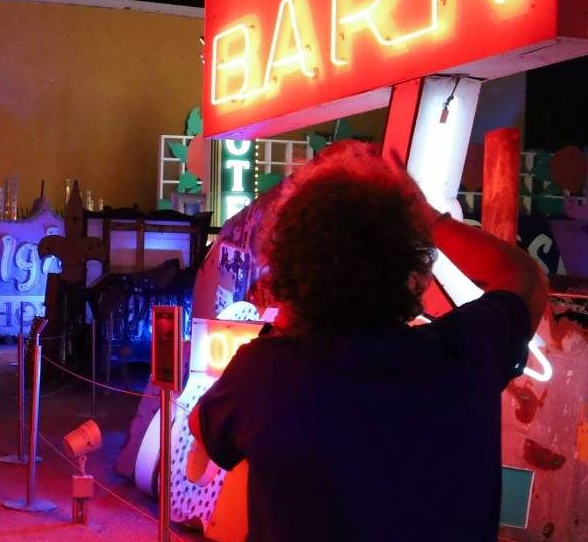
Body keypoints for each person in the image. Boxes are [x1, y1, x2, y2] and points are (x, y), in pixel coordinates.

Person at [188, 141, 548, 541]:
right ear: (407, 262)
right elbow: (524, 275)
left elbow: (202, 429)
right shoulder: (464, 352)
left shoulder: (266, 372)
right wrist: (428, 216)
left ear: (293, 262)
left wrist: (289, 311)